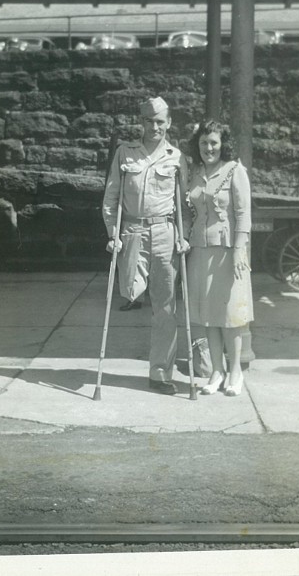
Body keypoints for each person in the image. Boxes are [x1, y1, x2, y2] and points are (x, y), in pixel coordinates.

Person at [102, 97, 190, 395]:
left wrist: (183, 234)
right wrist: (112, 234)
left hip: (165, 231)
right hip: (132, 230)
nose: (156, 126)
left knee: (165, 306)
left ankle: (160, 374)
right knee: (129, 291)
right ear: (142, 122)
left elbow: (185, 204)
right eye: (150, 121)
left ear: (168, 123)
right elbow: (111, 198)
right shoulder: (125, 153)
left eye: (161, 121)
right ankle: (133, 294)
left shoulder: (176, 157)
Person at [186, 120, 254, 396]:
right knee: (207, 313)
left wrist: (240, 249)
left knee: (231, 313)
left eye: (213, 142)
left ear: (223, 144)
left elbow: (243, 214)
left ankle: (235, 371)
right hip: (200, 251)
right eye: (204, 142)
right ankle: (216, 371)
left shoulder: (235, 171)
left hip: (228, 252)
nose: (209, 148)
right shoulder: (195, 172)